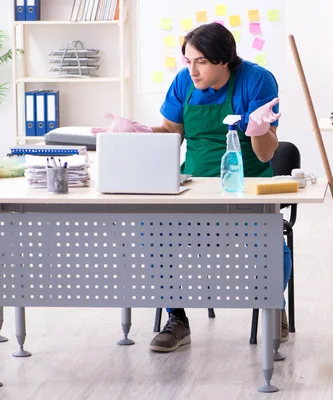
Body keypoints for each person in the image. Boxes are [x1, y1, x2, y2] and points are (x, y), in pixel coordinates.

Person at [95, 23, 292, 352]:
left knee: (273, 243)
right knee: (151, 234)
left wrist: (259, 128)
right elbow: (171, 133)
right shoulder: (184, 82)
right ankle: (177, 319)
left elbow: (265, 153)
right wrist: (137, 132)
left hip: (247, 187)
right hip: (192, 186)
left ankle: (274, 305)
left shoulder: (257, 80)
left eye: (199, 62)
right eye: (187, 61)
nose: (192, 70)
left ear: (222, 60)